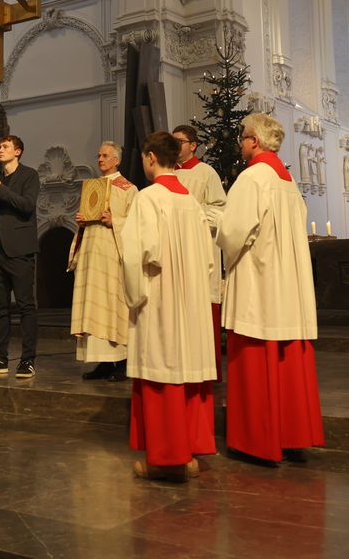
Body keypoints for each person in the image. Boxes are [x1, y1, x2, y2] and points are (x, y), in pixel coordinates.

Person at [218, 113, 323, 464]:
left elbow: (233, 233)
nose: (241, 143)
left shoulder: (252, 178)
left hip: (260, 283)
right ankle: (290, 435)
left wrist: (216, 229)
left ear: (255, 142)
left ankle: (257, 440)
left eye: (244, 137)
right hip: (287, 284)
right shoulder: (287, 180)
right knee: (287, 359)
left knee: (254, 355)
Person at [121, 131, 218, 481]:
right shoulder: (191, 202)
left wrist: (134, 298)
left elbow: (134, 256)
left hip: (160, 300)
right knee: (187, 375)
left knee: (161, 375)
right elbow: (208, 261)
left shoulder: (149, 199)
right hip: (190, 302)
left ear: (150, 157)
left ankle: (166, 459)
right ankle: (190, 453)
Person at [69, 141, 137, 381]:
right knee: (93, 305)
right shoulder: (92, 187)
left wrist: (114, 220)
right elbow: (87, 216)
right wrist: (81, 220)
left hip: (112, 256)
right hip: (91, 254)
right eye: (98, 155)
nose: (99, 159)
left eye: (105, 155)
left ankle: (121, 360)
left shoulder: (129, 188)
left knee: (112, 305)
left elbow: (137, 223)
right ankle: (103, 363)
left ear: (116, 160)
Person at [0, 135, 41, 379]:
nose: (0, 150)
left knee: (26, 306)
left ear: (18, 151)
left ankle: (27, 360)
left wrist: (0, 189)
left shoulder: (28, 176)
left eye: (5, 147)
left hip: (21, 251)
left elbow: (26, 205)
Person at [173, 124, 227, 380]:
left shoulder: (206, 173)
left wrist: (191, 215)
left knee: (203, 312)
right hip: (174, 251)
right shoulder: (167, 173)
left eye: (180, 142)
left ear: (193, 145)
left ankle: (208, 369)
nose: (175, 146)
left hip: (201, 249)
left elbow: (220, 211)